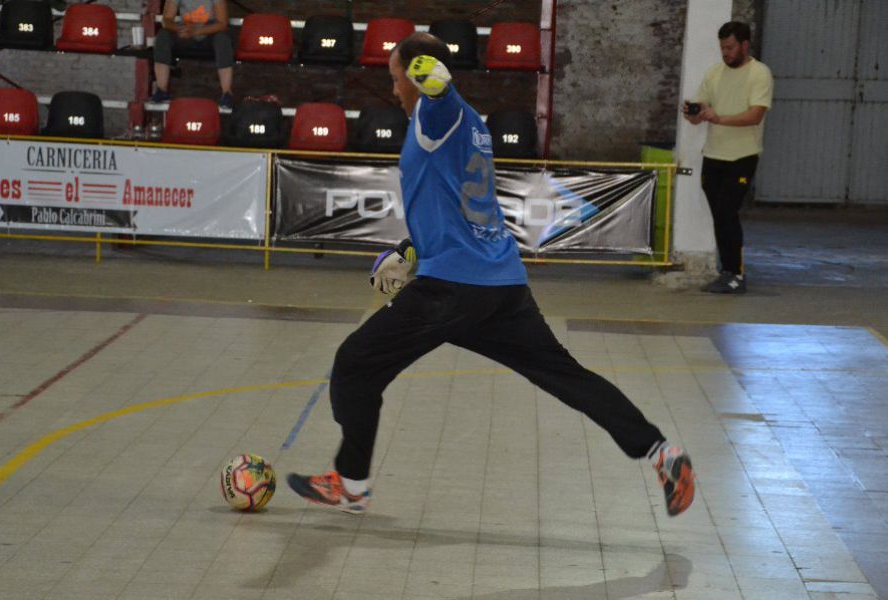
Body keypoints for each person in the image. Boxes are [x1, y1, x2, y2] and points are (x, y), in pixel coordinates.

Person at [287, 33, 696, 518]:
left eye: (396, 78)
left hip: (453, 290)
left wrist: (429, 76)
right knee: (566, 376)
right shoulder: (473, 124)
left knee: (354, 363)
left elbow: (438, 90)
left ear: (416, 76)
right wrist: (413, 250)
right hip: (499, 284)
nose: (394, 89)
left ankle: (351, 485)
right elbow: (458, 203)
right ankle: (661, 452)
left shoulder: (437, 113)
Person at [683, 21, 773, 294]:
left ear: (745, 45)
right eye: (722, 47)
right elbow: (700, 114)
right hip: (713, 155)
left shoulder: (760, 74)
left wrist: (719, 118)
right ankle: (727, 272)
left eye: (730, 47)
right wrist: (693, 113)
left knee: (727, 212)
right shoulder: (714, 74)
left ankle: (736, 274)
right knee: (719, 216)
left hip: (742, 156)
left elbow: (755, 115)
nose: (725, 52)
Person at [151, 0, 235, 109]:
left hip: (209, 33)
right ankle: (162, 90)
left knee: (223, 40)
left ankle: (227, 93)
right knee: (163, 36)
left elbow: (222, 23)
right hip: (185, 33)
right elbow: (166, 20)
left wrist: (196, 31)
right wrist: (180, 29)